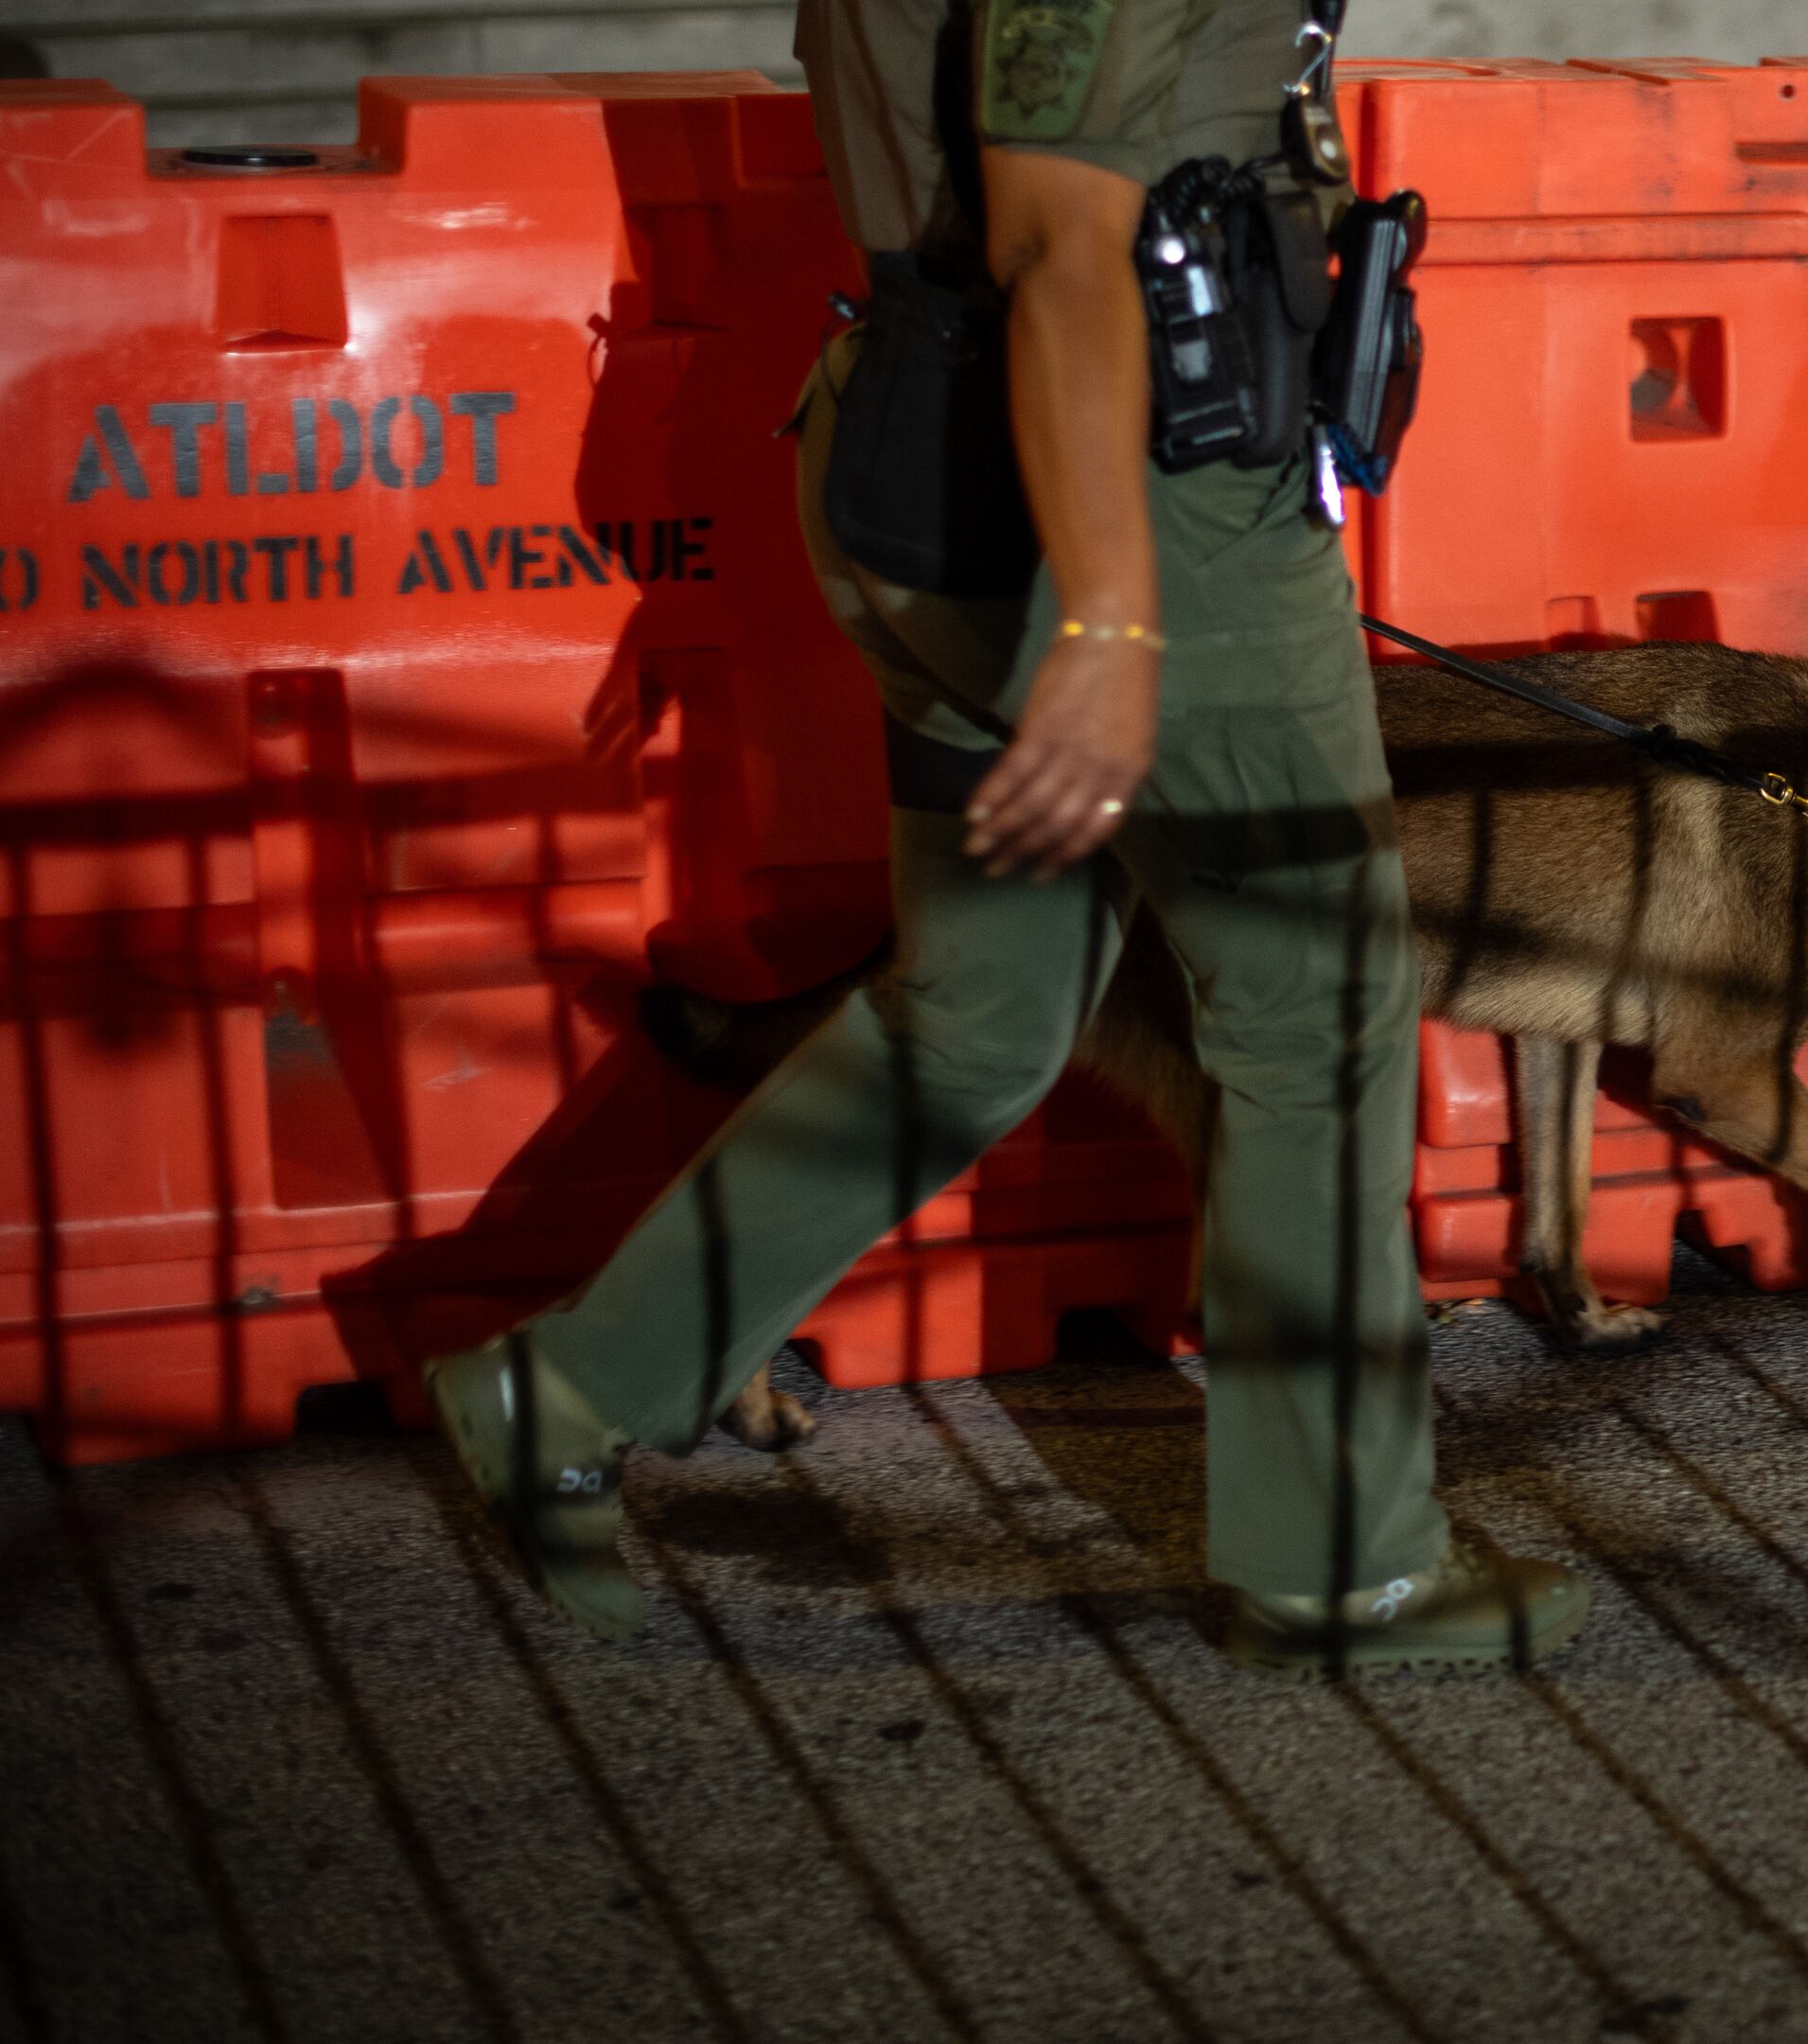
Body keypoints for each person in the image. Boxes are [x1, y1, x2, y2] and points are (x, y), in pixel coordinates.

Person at [423, 0, 1587, 1674]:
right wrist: (1111, 629)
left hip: (924, 460)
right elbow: (1061, 245)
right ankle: (1341, 1564)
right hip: (1140, 515)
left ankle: (576, 1386)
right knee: (1315, 1019)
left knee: (974, 1025)